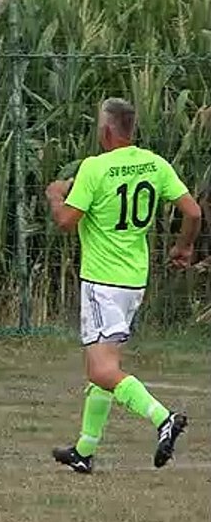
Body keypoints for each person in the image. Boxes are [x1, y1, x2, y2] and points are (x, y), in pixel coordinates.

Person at [45, 97, 201, 474]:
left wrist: (55, 196)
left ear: (106, 131)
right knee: (102, 367)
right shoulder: (154, 163)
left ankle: (163, 418)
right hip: (134, 281)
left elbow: (66, 221)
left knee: (102, 370)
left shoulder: (95, 168)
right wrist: (183, 247)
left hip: (102, 282)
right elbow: (193, 211)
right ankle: (85, 450)